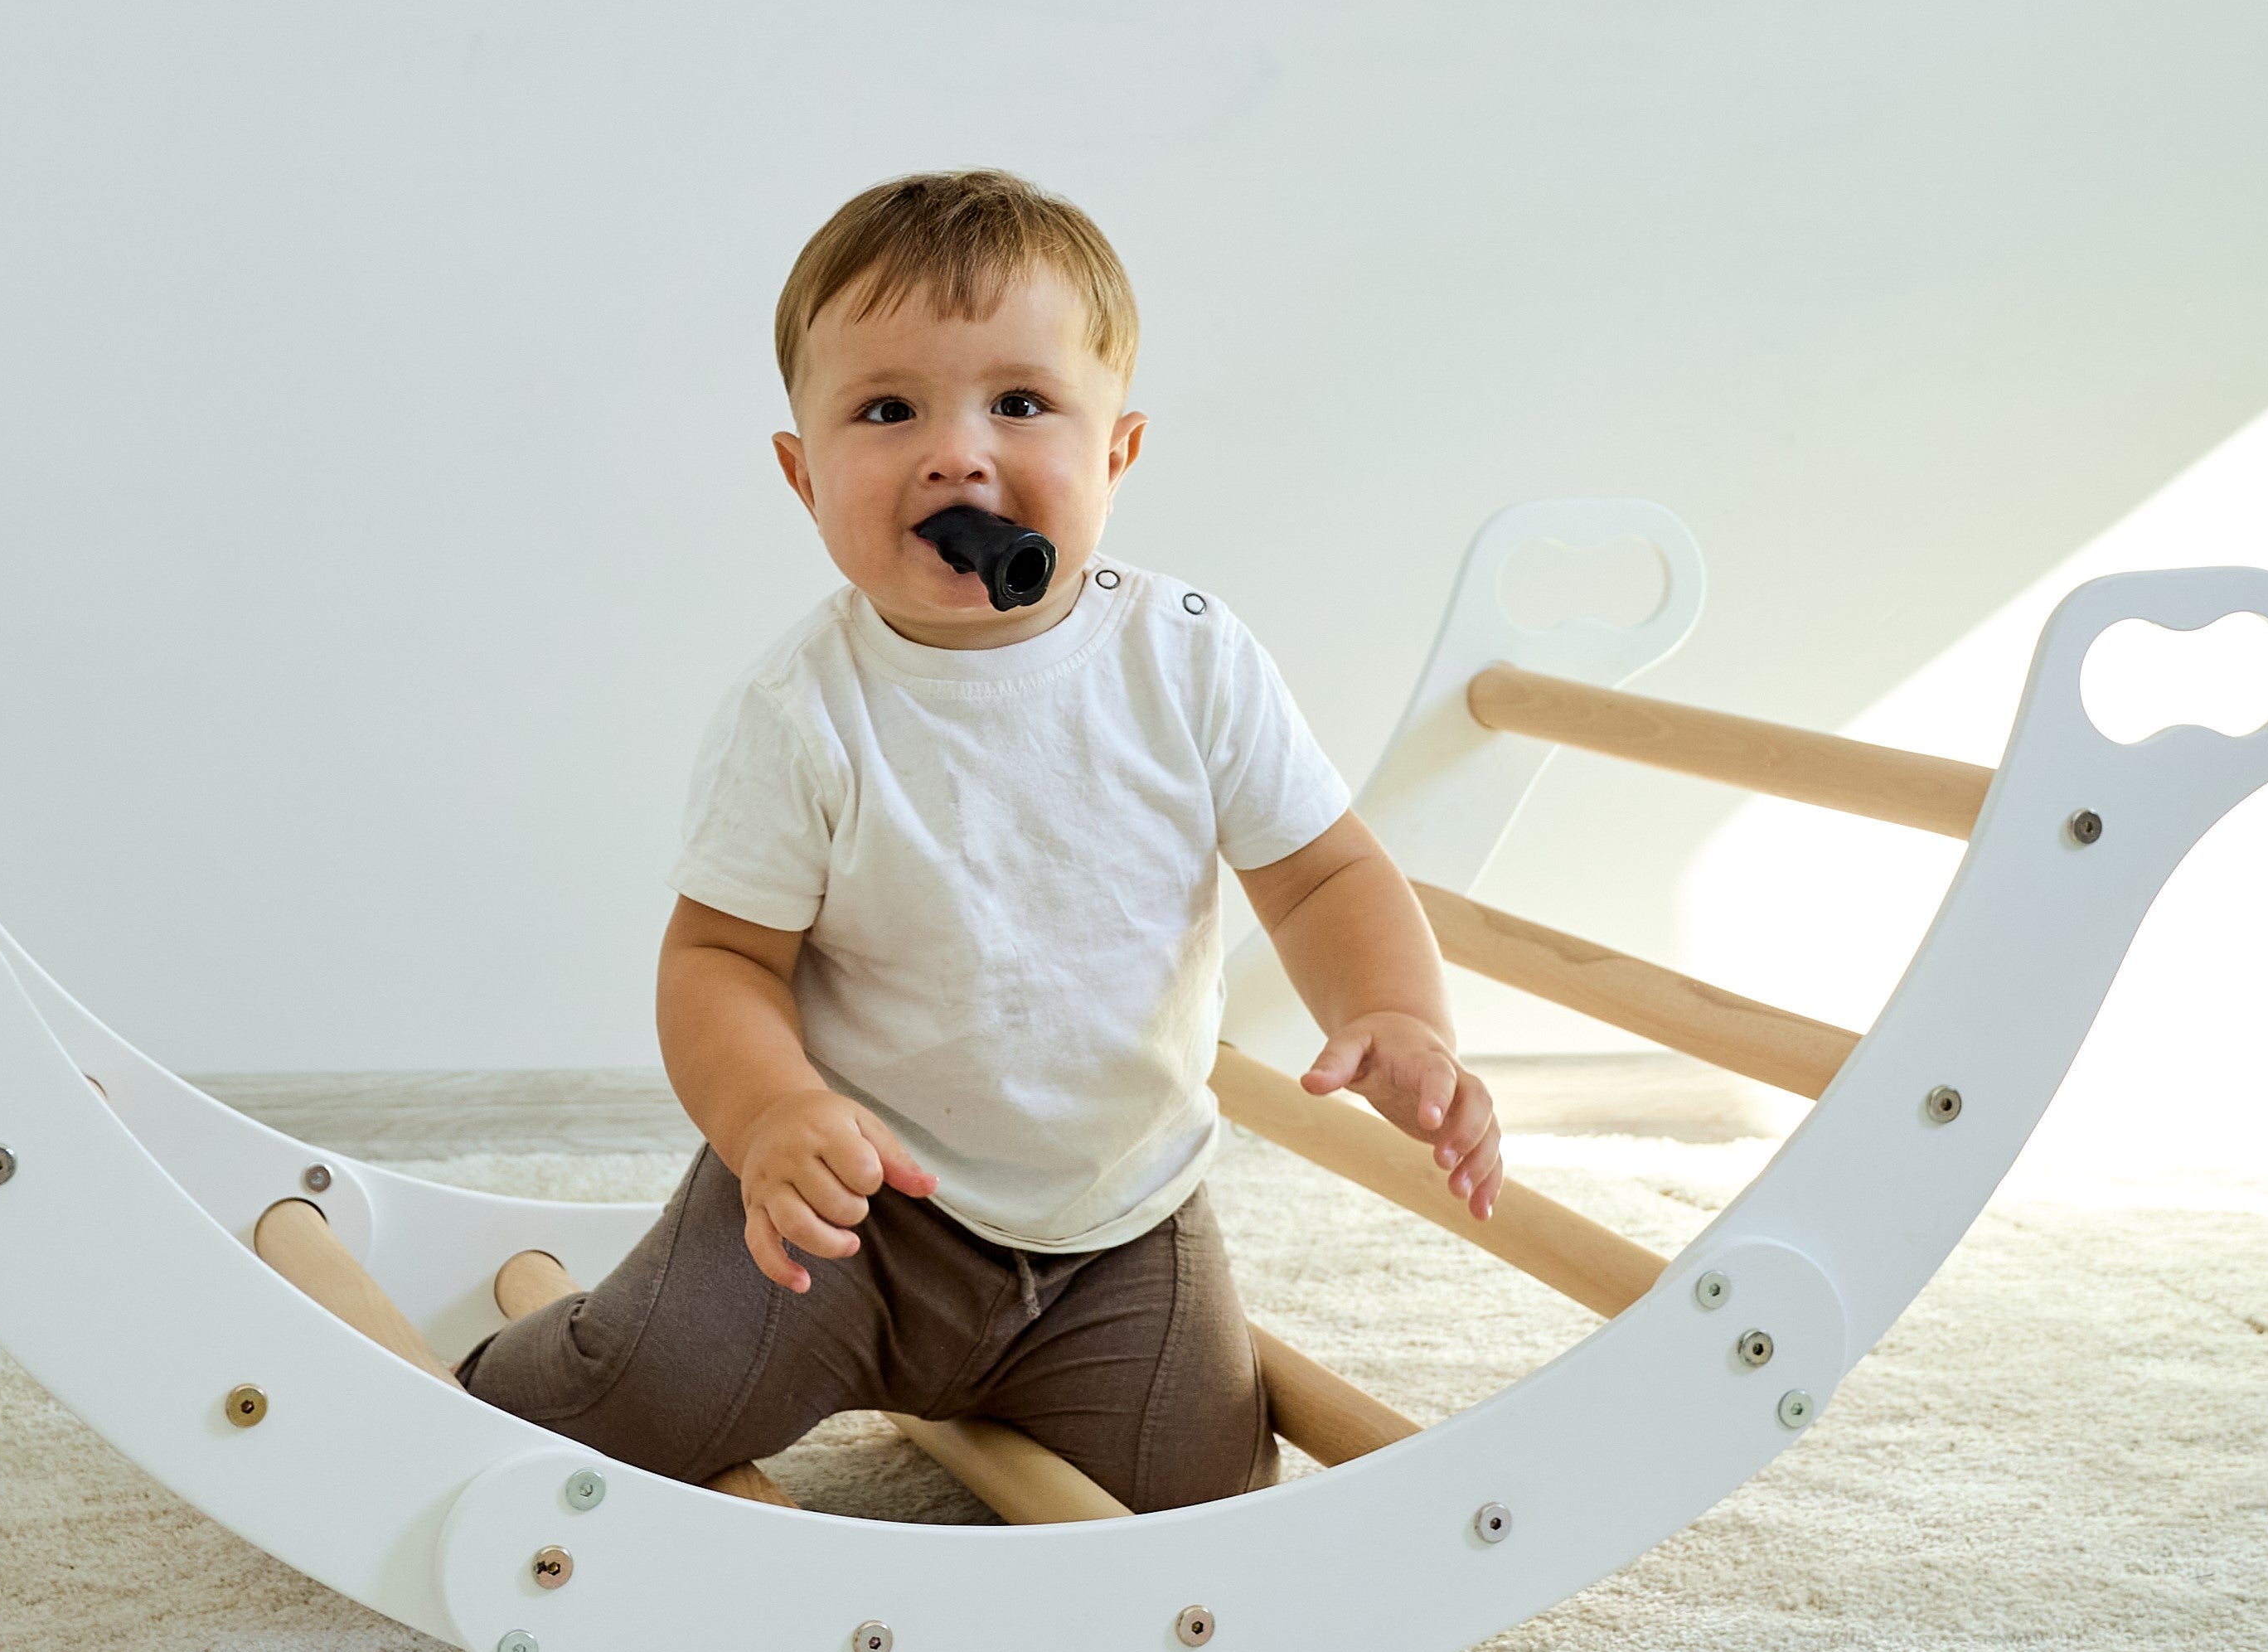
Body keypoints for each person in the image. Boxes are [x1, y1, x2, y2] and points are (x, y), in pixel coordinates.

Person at [461, 170, 1501, 1510]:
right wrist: (770, 1114)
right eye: (888, 410)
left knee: (1207, 1515)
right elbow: (718, 956)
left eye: (1019, 403)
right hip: (845, 1223)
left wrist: (1398, 1015)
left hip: (1115, 1228)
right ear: (803, 474)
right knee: (617, 1408)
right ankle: (495, 1376)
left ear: (1114, 457)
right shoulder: (803, 712)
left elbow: (1323, 871)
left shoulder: (1186, 660)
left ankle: (1046, 1390)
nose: (957, 453)